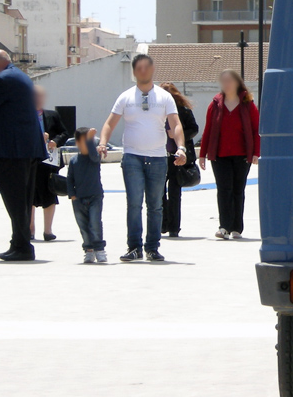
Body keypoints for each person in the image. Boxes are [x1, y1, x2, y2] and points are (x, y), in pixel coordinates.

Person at [99, 54, 188, 262]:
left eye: (146, 67)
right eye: (138, 68)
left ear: (152, 69)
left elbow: (176, 125)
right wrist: (103, 143)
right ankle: (134, 247)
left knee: (156, 204)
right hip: (132, 157)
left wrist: (181, 147)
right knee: (134, 203)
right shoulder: (125, 97)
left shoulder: (165, 97)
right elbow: (109, 123)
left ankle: (152, 247)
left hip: (157, 157)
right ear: (134, 71)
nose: (143, 71)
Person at [0, 50, 47, 261]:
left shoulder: (3, 80)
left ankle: (22, 247)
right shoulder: (19, 76)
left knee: (15, 201)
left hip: (11, 151)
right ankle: (20, 244)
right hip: (25, 149)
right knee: (22, 200)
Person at [199, 69, 260, 240]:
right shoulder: (215, 104)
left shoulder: (248, 103)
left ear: (238, 83)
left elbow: (256, 129)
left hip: (242, 155)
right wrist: (202, 154)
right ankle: (224, 226)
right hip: (220, 155)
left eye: (230, 81)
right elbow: (208, 130)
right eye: (224, 81)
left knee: (237, 190)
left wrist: (256, 153)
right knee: (224, 189)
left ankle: (236, 228)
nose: (227, 84)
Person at [160, 82, 199, 238]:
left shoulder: (183, 111)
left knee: (175, 192)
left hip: (177, 155)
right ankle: (163, 224)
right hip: (160, 156)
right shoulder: (156, 111)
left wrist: (178, 134)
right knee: (159, 193)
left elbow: (194, 128)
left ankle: (174, 227)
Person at [32, 84, 69, 241]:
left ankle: (48, 230)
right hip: (31, 162)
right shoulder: (24, 116)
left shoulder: (52, 115)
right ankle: (29, 229)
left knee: (49, 194)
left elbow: (65, 132)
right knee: (30, 196)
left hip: (49, 163)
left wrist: (54, 140)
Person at [67, 128, 106, 263]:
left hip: (95, 196)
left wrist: (90, 140)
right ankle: (89, 250)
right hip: (78, 199)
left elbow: (95, 157)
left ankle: (99, 249)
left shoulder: (94, 157)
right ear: (77, 142)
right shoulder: (74, 160)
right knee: (83, 226)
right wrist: (72, 195)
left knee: (95, 224)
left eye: (90, 141)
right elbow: (69, 179)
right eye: (84, 141)